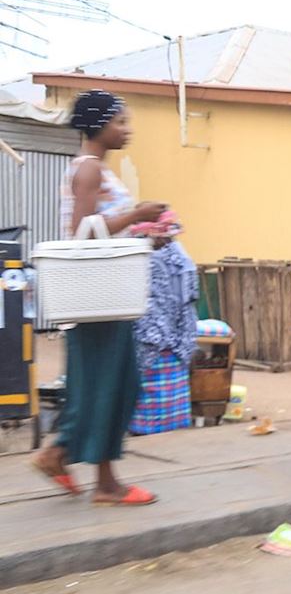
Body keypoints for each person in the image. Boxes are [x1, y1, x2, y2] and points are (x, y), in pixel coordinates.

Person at [31, 90, 167, 505]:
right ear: (99, 124)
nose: (127, 130)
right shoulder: (89, 169)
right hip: (96, 299)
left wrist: (146, 237)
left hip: (106, 294)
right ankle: (100, 480)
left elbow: (103, 231)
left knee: (111, 384)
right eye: (120, 122)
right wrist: (137, 215)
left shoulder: (96, 170)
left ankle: (63, 456)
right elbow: (82, 233)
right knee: (109, 385)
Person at [130, 212, 198, 435]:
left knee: (152, 387)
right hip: (171, 339)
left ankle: (145, 427)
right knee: (167, 387)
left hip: (157, 339)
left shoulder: (151, 259)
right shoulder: (179, 257)